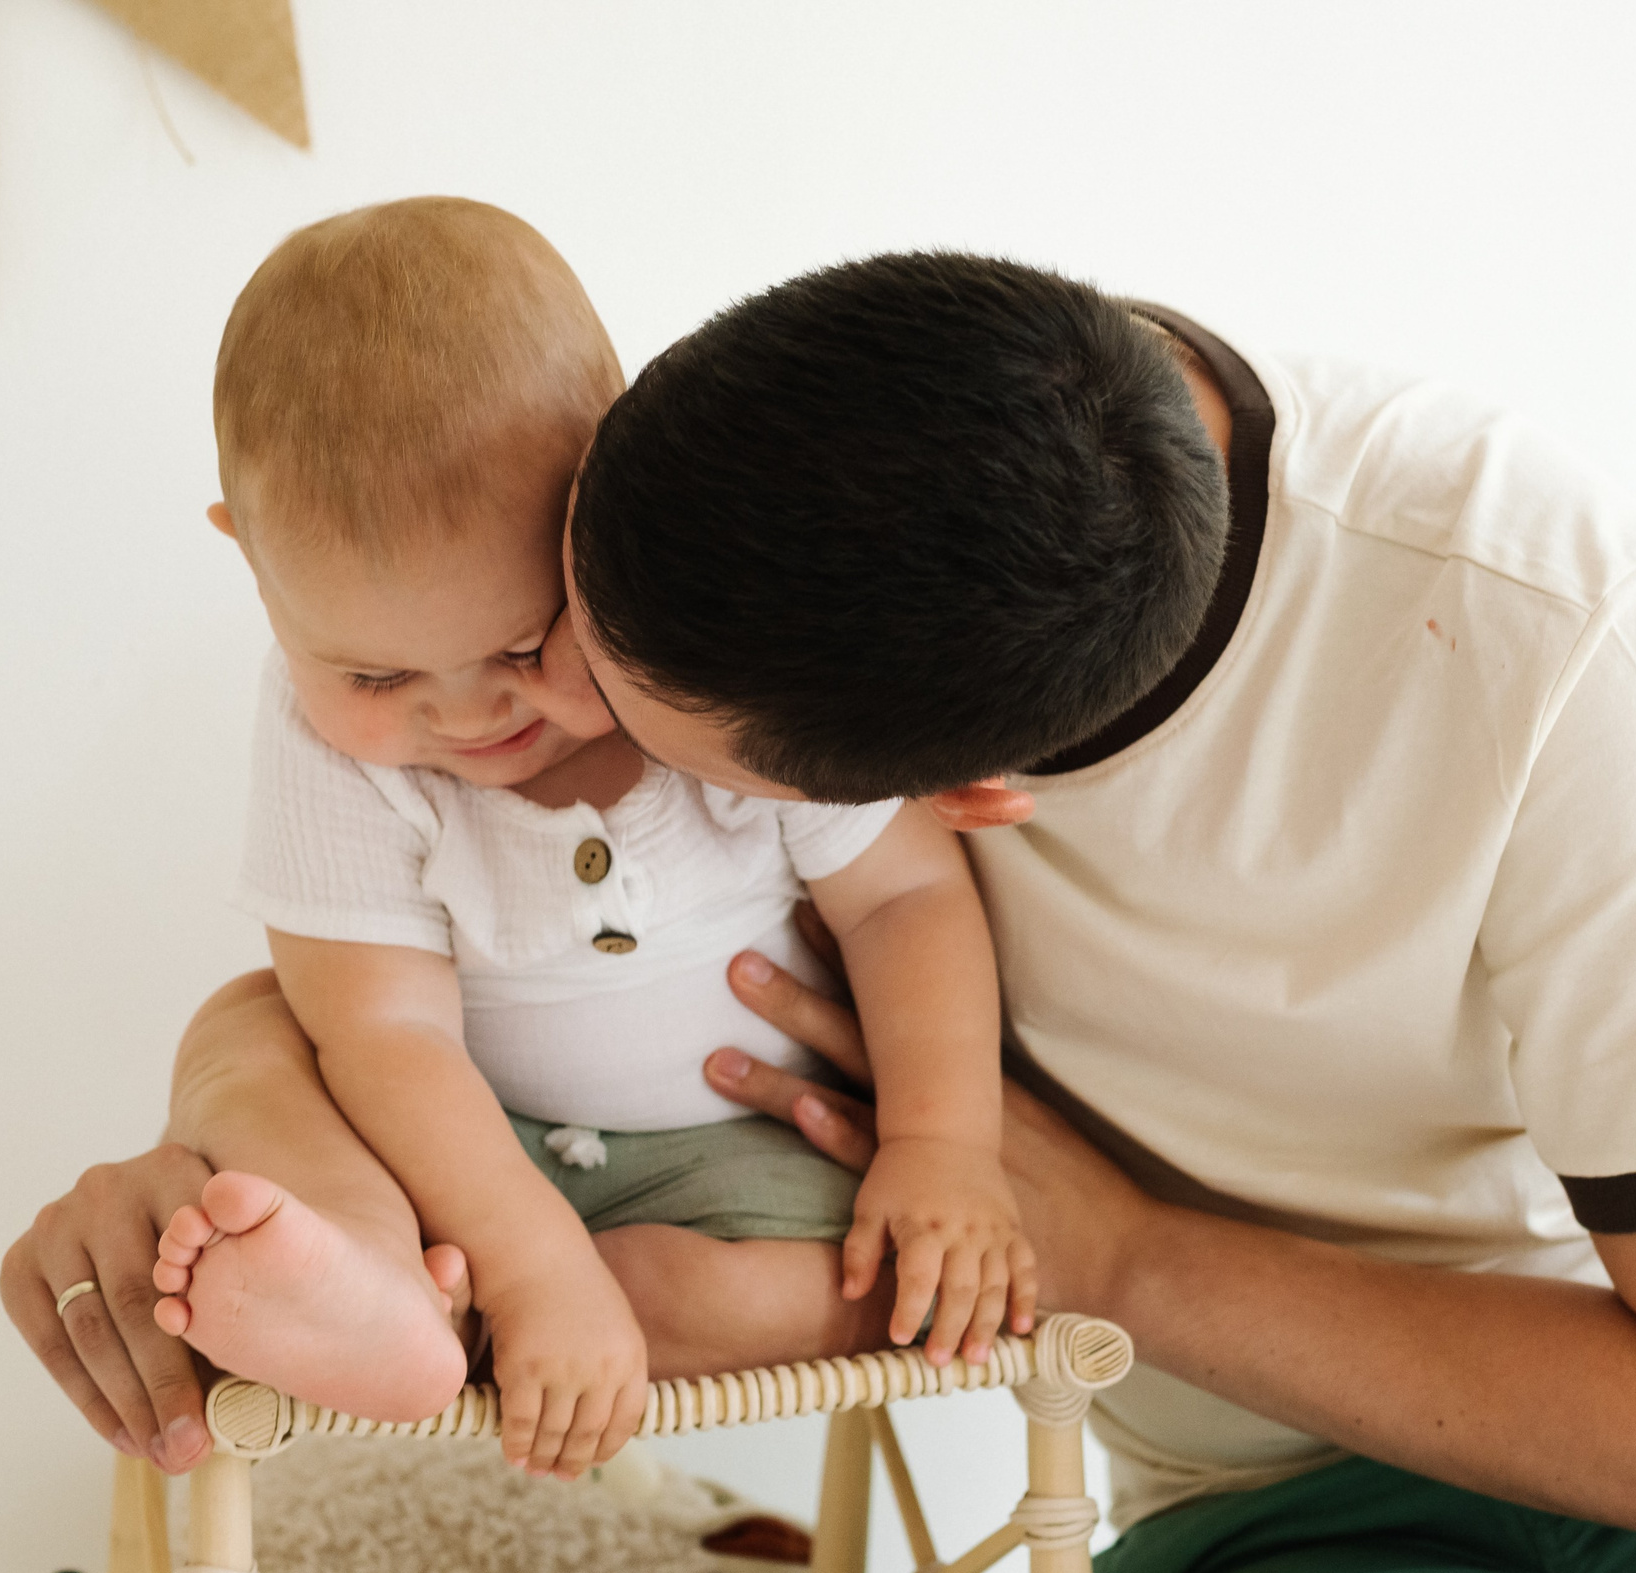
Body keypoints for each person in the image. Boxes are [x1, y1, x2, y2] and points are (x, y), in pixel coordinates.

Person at [4, 251, 1636, 1573]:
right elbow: (377, 974)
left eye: (602, 715)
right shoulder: (739, 508)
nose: (533, 743)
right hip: (1284, 1508)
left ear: (955, 798)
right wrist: (214, 1152)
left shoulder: (1536, 625)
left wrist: (1124, 1253)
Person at [122, 200, 1034, 1478]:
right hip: (462, 1156)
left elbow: (902, 905)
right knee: (262, 1038)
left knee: (763, 1286)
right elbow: (386, 1031)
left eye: (517, 645)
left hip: (748, 1162)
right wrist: (529, 1252)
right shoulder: (315, 735)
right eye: (378, 679)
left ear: (612, 508)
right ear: (254, 564)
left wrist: (945, 1145)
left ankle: (482, 1315)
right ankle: (375, 1277)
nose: (464, 714)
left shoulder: (715, 649)